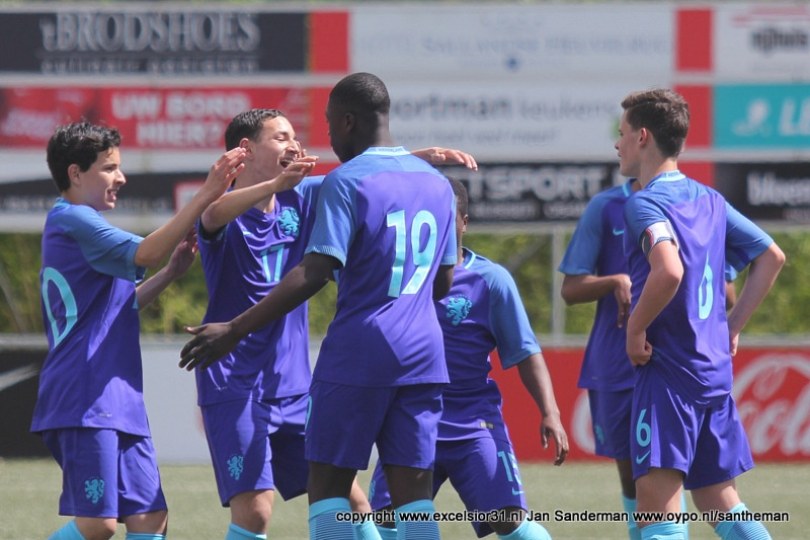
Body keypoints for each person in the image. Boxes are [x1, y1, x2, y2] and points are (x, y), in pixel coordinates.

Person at [180, 72, 459, 540]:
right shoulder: (228, 209)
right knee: (259, 512)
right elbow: (210, 215)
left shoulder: (308, 194)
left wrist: (411, 159)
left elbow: (362, 184)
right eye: (282, 136)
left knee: (345, 494)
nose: (300, 142)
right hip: (239, 381)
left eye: (302, 132)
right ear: (246, 149)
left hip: (306, 376)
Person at [32, 121, 245, 540]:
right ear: (76, 174)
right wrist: (208, 192)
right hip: (84, 394)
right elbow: (145, 250)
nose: (121, 177)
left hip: (118, 397)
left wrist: (170, 273)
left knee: (151, 519)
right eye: (109, 167)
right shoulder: (73, 219)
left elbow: (118, 306)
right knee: (98, 525)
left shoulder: (82, 226)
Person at [616, 88, 785, 540]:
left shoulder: (643, 202)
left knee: (659, 516)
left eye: (623, 134)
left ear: (644, 137)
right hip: (712, 373)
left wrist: (635, 329)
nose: (618, 144)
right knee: (722, 503)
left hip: (669, 373)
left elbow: (667, 270)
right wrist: (731, 327)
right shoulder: (709, 199)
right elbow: (772, 256)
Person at [368, 177, 568, 540]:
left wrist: (550, 412)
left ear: (464, 221)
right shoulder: (400, 277)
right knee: (384, 524)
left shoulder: (491, 280)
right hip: (410, 421)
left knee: (509, 520)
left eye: (449, 216)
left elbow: (525, 351)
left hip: (472, 422)